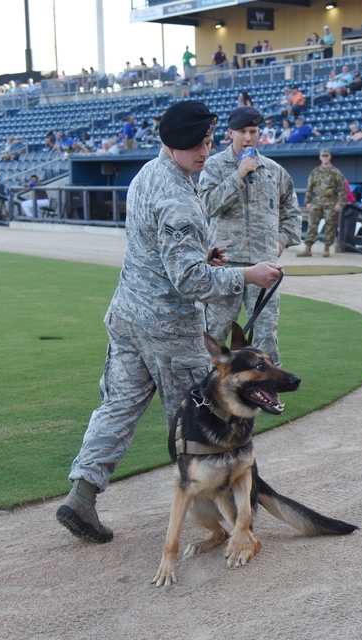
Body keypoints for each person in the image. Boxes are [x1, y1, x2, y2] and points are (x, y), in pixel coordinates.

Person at [56, 101, 283, 543]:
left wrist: (204, 256)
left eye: (208, 142)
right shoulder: (178, 198)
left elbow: (162, 252)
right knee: (198, 423)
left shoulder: (148, 174)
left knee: (117, 408)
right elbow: (189, 281)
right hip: (169, 329)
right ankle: (231, 514)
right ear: (173, 144)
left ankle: (81, 496)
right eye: (196, 145)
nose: (205, 151)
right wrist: (247, 275)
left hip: (127, 317)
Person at [198, 106, 301, 365]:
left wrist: (281, 240)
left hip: (263, 265)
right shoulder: (215, 166)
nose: (248, 137)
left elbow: (292, 211)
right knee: (217, 330)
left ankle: (269, 386)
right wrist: (238, 175)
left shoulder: (274, 170)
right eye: (242, 131)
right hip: (226, 264)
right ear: (230, 133)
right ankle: (208, 385)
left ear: (260, 133)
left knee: (266, 333)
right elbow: (208, 205)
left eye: (253, 131)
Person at [298, 148, 346, 257]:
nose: (325, 158)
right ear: (320, 157)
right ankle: (308, 248)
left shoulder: (336, 172)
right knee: (312, 224)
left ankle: (326, 248)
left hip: (331, 202)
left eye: (326, 156)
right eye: (323, 156)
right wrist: (308, 202)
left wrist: (339, 203)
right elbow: (309, 188)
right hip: (317, 201)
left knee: (330, 225)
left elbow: (342, 189)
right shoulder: (315, 172)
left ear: (330, 157)